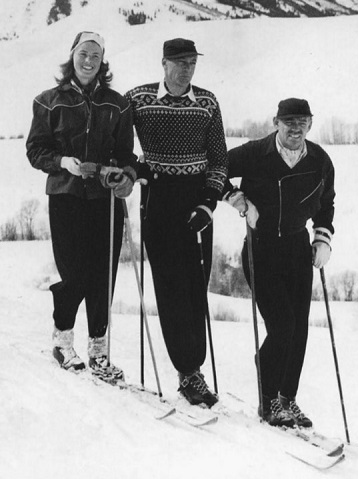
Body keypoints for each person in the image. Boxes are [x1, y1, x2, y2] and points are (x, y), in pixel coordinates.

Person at [26, 31, 137, 379]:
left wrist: (122, 175)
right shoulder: (48, 102)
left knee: (103, 276)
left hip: (104, 199)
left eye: (95, 55)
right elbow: (36, 150)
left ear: (102, 60)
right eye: (82, 54)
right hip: (66, 195)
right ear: (72, 56)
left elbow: (126, 155)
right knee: (74, 274)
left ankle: (99, 354)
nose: (88, 61)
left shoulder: (117, 104)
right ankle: (62, 341)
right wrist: (63, 163)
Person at [125, 38, 228, 407]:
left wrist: (209, 203)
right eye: (180, 62)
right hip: (159, 198)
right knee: (169, 287)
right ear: (164, 63)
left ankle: (194, 367)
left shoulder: (207, 102)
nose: (187, 69)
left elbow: (219, 160)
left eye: (192, 63)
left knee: (194, 287)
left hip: (197, 204)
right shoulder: (137, 99)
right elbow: (122, 147)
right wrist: (132, 170)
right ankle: (188, 372)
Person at [223, 98, 335, 427]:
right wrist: (235, 196)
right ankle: (268, 399)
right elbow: (214, 171)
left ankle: (288, 399)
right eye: (288, 121)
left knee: (298, 328)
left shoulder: (319, 160)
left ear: (310, 124)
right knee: (283, 325)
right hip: (262, 248)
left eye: (302, 121)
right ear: (276, 122)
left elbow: (326, 202)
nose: (295, 128)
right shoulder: (254, 153)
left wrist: (323, 237)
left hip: (299, 248)